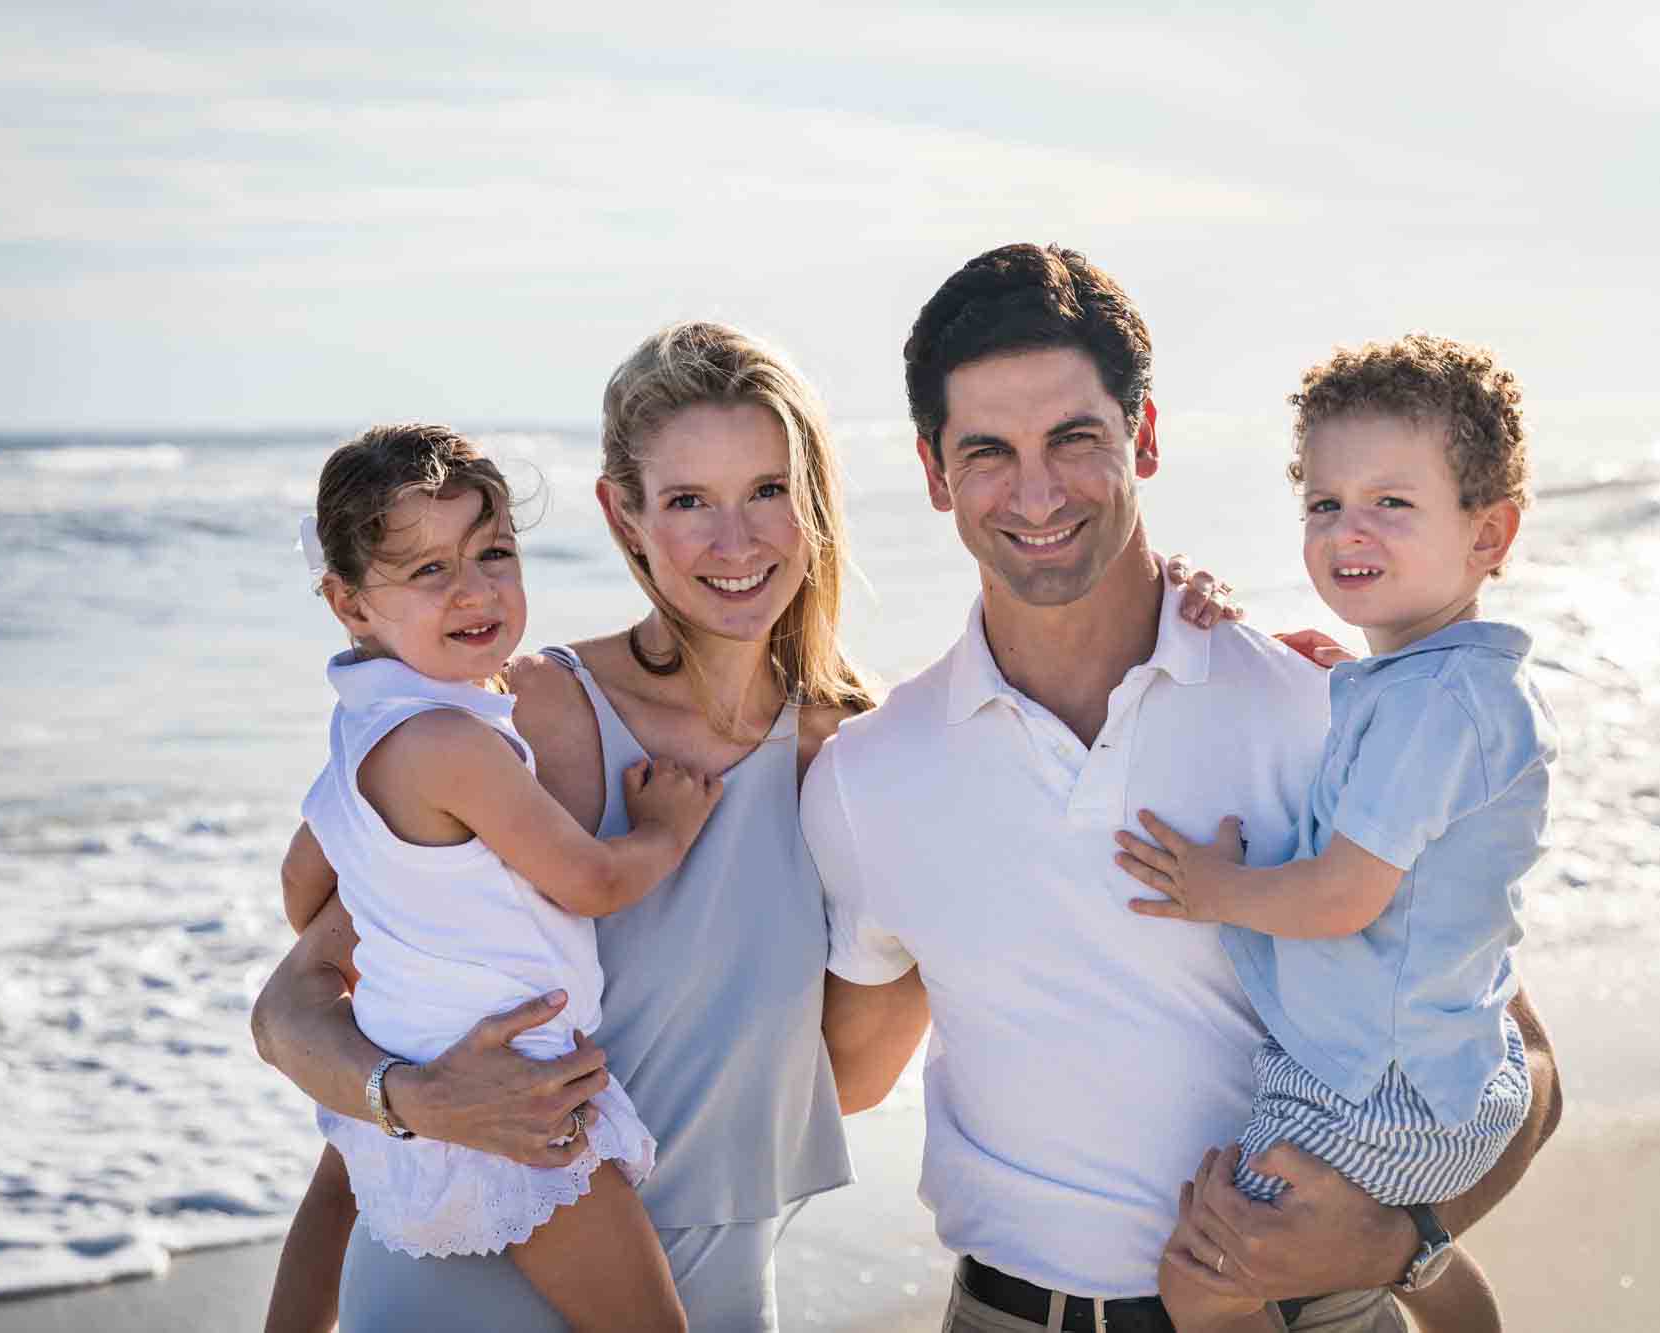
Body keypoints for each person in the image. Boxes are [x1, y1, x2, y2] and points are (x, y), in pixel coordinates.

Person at [251, 322, 1238, 1333]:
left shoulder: (867, 761)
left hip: (718, 1282)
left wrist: (1199, 623)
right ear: (622, 514)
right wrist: (410, 1100)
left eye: (767, 490)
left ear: (814, 499)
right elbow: (297, 1001)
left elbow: (848, 1078)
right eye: (687, 501)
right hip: (475, 1272)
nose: (735, 543)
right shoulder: (520, 716)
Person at [801, 244, 1562, 1333]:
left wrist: (1408, 1245)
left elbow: (1518, 1054)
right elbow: (836, 1080)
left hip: (1323, 1312)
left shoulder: (1316, 705)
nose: (1035, 491)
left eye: (1074, 438)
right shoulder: (868, 776)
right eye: (986, 451)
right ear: (931, 472)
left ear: (1143, 437)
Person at [1112, 335, 1555, 1332]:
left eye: (1390, 503)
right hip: (1453, 1066)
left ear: (1488, 534)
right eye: (1323, 503)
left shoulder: (1426, 704)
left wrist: (1208, 889)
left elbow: (1343, 895)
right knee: (1403, 1261)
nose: (1346, 526)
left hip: (1372, 1096)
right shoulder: (1434, 682)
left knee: (1205, 1274)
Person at [282, 423, 723, 1330]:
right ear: (350, 602)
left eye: (495, 552)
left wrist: (406, 915)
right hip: (517, 1099)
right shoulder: (451, 743)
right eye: (429, 570)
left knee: (335, 1193)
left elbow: (301, 885)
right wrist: (665, 829)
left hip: (411, 1050)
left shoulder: (361, 729)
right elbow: (592, 882)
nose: (477, 589)